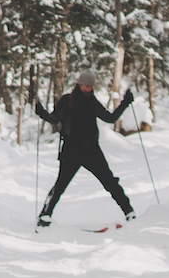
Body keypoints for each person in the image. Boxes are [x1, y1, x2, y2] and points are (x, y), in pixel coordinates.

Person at [34, 69, 136, 227]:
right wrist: (42, 113)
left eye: (90, 86)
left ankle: (129, 212)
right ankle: (45, 216)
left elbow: (110, 118)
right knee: (60, 185)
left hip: (91, 150)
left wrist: (125, 102)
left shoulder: (92, 102)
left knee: (110, 182)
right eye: (85, 85)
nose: (88, 88)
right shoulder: (68, 100)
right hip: (71, 150)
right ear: (79, 84)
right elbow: (55, 119)